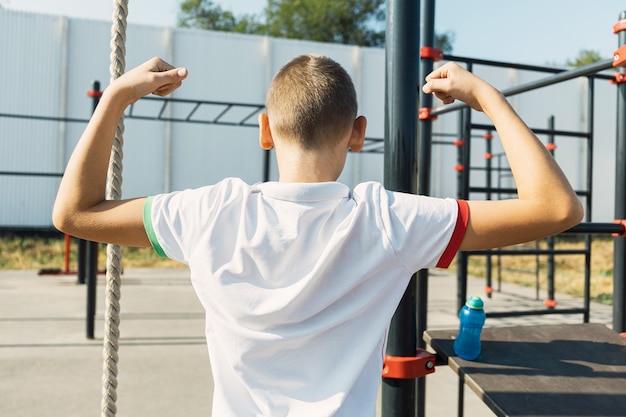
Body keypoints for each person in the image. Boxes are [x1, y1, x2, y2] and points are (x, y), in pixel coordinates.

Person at [53, 55, 583, 416]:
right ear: (358, 134)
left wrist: (117, 98)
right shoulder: (388, 220)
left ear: (265, 130)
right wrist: (485, 96)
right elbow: (557, 207)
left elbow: (74, 213)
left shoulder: (208, 211)